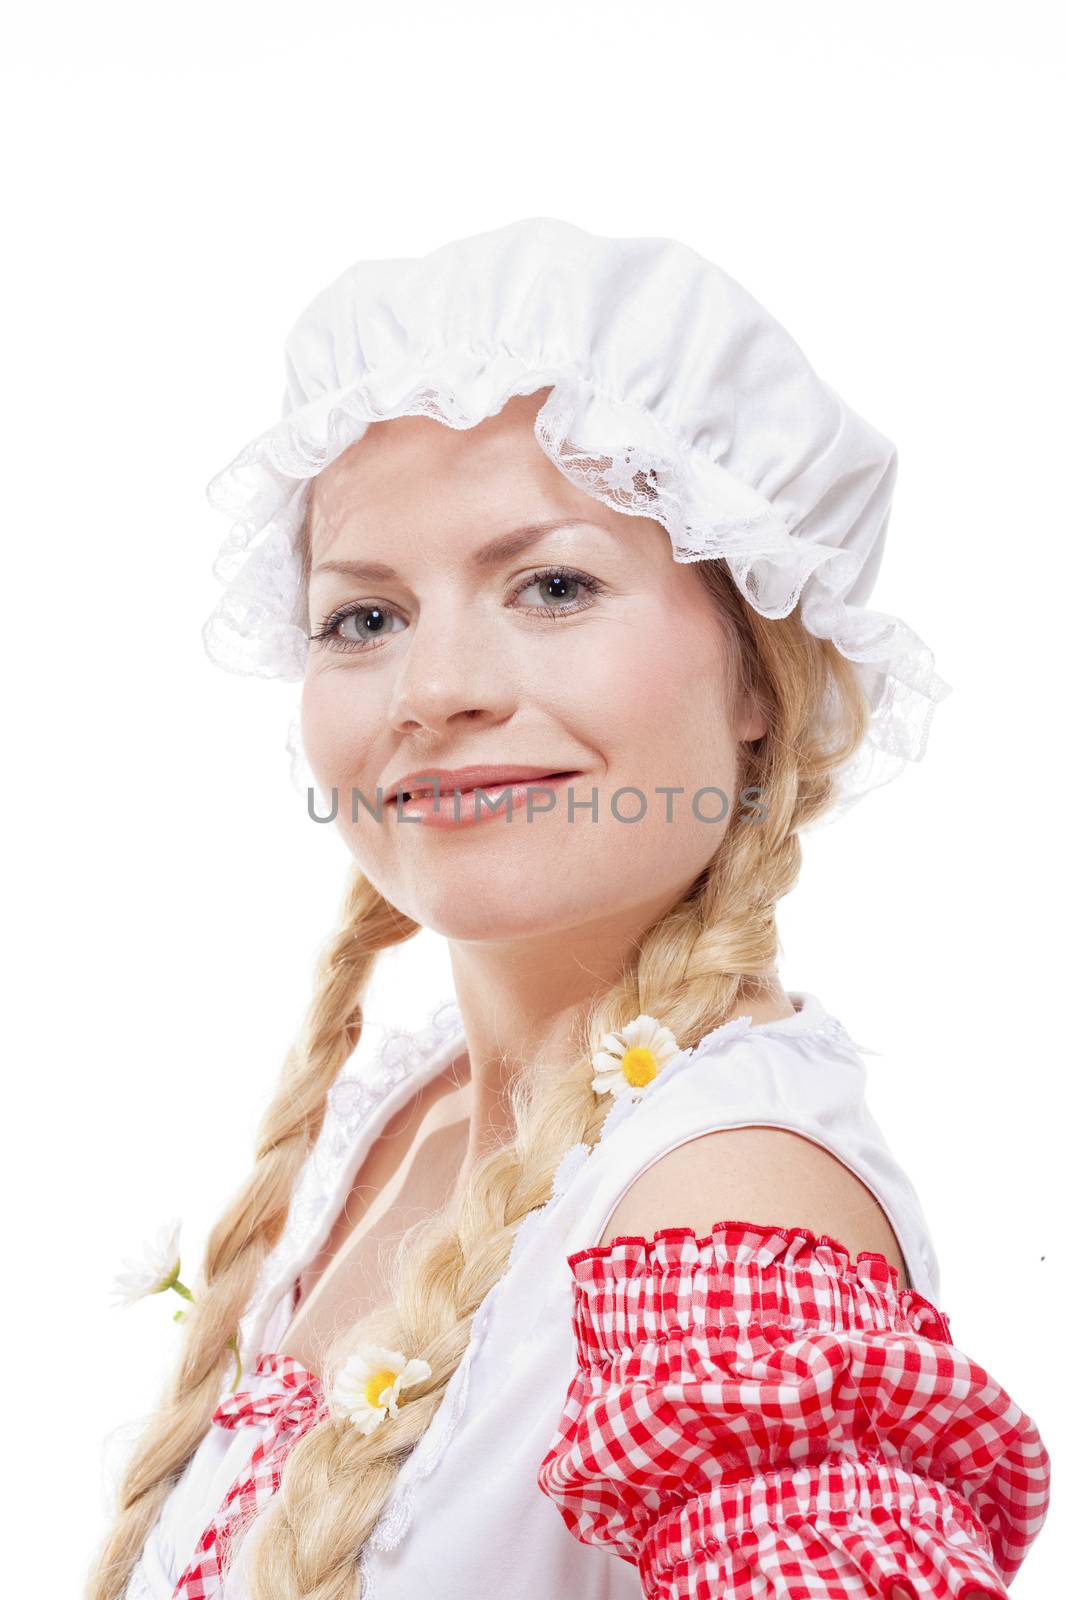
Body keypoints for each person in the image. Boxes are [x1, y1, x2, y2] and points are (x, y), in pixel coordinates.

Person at [89, 219, 1050, 1600]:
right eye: (365, 618)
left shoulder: (723, 1199)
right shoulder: (407, 1113)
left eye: (553, 585)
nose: (435, 690)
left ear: (759, 673)